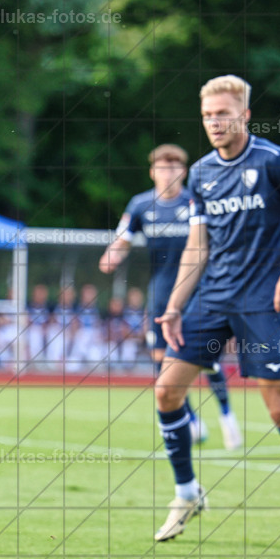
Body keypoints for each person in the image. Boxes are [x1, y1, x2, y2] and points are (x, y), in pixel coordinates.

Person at [151, 75, 280, 543]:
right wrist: (175, 305)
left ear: (244, 115)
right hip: (212, 300)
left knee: (278, 408)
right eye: (208, 115)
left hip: (261, 302)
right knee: (166, 391)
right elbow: (198, 247)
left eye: (223, 113)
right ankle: (188, 492)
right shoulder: (200, 174)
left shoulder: (277, 163)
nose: (215, 122)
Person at [100, 143, 242, 450]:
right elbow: (122, 239)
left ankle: (227, 416)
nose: (168, 174)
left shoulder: (196, 200)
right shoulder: (140, 205)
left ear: (184, 171)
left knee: (207, 358)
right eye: (162, 168)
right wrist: (112, 254)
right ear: (152, 172)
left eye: (174, 168)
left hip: (199, 292)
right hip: (161, 292)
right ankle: (191, 420)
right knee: (161, 359)